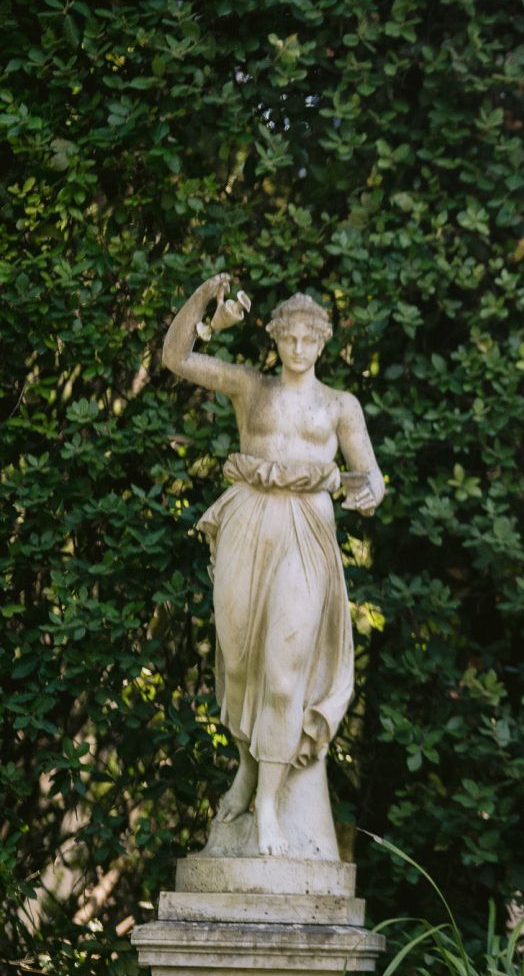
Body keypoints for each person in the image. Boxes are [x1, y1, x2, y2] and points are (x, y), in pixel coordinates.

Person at [162, 274, 385, 859]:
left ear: (322, 344)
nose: (299, 349)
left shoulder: (340, 406)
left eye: (310, 340)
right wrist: (207, 306)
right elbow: (175, 355)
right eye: (290, 338)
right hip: (247, 523)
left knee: (284, 674)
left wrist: (370, 491)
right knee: (238, 665)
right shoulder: (249, 387)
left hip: (306, 531)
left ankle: (267, 805)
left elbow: (372, 474)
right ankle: (246, 766)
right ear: (277, 339)